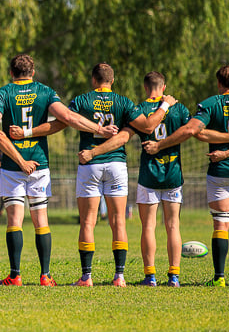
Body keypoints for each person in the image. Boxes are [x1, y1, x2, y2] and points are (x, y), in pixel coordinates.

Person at [0, 54, 111, 287]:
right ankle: (45, 275)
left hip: (12, 164)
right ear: (33, 72)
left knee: (14, 220)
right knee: (41, 218)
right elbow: (69, 118)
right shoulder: (45, 91)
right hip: (39, 162)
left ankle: (15, 275)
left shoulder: (2, 93)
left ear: (11, 73)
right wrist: (100, 129)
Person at [144, 65, 229, 287]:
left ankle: (219, 278)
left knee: (221, 225)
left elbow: (194, 131)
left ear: (219, 84)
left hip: (219, 171)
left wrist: (224, 150)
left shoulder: (211, 104)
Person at [65, 63, 174, 287]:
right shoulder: (124, 102)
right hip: (116, 164)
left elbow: (67, 118)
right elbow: (146, 126)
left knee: (87, 222)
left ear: (94, 80)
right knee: (118, 222)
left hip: (90, 163)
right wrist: (164, 105)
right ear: (112, 81)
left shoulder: (81, 100)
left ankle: (86, 277)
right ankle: (119, 276)